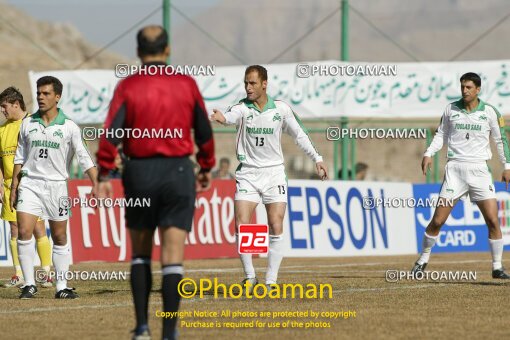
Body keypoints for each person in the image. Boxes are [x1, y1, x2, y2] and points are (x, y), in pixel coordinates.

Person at [96, 26, 215, 340]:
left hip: (140, 174)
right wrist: (206, 166)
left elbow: (111, 134)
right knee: (173, 256)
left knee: (140, 253)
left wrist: (105, 171)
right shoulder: (186, 83)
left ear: (137, 51)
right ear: (167, 49)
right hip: (178, 173)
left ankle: (142, 328)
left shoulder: (128, 86)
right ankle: (169, 333)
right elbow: (204, 131)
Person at [210, 65, 328, 292]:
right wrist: (222, 117)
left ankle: (271, 281)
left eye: (252, 83)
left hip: (274, 174)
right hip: (248, 174)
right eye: (246, 83)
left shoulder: (281, 109)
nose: (248, 87)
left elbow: (300, 135)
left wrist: (317, 158)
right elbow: (230, 117)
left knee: (275, 223)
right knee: (243, 223)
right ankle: (250, 277)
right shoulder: (242, 108)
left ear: (265, 84)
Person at [412, 72, 510, 279]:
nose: (464, 91)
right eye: (462, 87)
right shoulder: (451, 109)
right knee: (438, 220)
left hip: (480, 171)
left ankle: (497, 267)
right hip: (455, 170)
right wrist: (429, 153)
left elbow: (501, 140)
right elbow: (441, 134)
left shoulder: (490, 112)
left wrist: (507, 165)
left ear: (478, 89)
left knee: (493, 220)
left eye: (468, 87)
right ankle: (422, 260)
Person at [11, 76, 98, 299]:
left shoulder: (69, 127)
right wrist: (14, 187)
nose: (40, 97)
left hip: (57, 187)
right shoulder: (27, 124)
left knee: (59, 236)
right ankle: (29, 284)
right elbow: (19, 156)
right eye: (39, 93)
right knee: (23, 231)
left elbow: (85, 157)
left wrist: (96, 183)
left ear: (57, 97)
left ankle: (61, 287)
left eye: (46, 93)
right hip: (30, 184)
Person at [0, 87, 53, 288]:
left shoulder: (34, 124)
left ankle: (46, 273)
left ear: (16, 104)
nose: (2, 111)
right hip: (7, 187)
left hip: (31, 185)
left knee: (38, 228)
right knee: (14, 229)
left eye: (4, 107)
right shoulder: (2, 130)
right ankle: (18, 274)